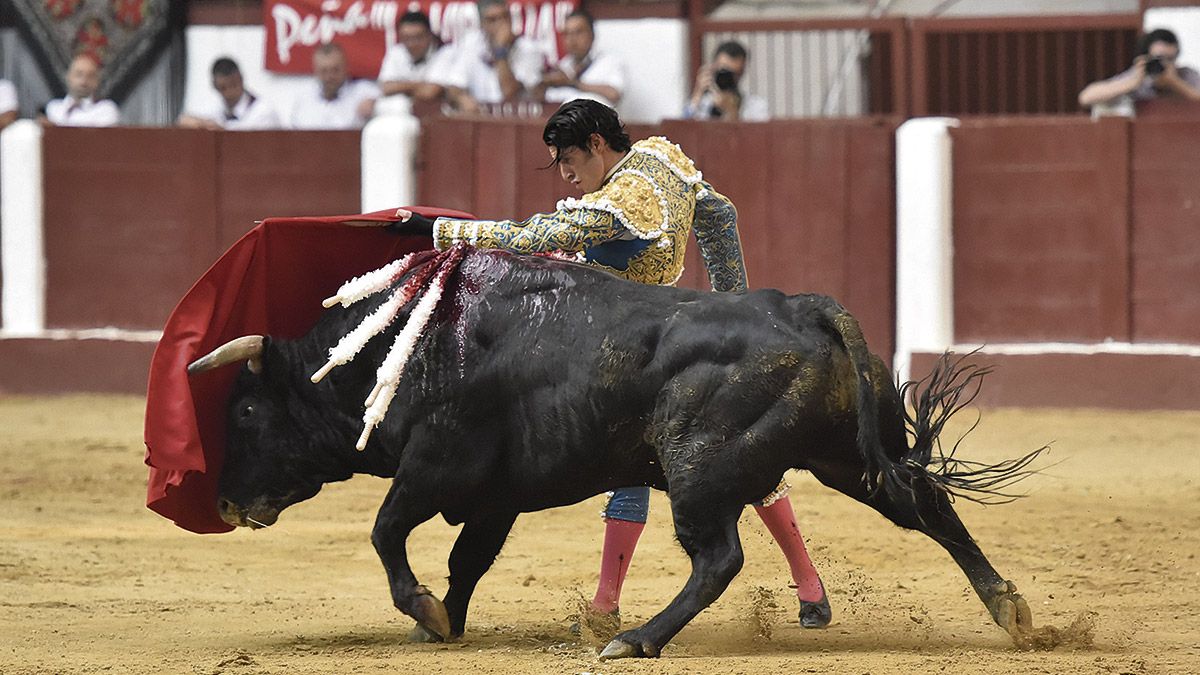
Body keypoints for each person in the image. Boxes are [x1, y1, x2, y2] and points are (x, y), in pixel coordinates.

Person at [388, 99, 831, 634]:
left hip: (626, 347)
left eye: (570, 160)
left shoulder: (625, 198)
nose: (568, 176)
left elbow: (537, 239)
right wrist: (733, 307)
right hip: (680, 333)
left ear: (598, 144)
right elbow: (719, 214)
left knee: (630, 464)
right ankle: (809, 584)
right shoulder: (660, 158)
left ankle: (605, 605)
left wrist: (441, 232)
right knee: (745, 462)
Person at [433, 0, 545, 114]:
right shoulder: (472, 42)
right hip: (481, 117)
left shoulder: (528, 48)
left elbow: (510, 93)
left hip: (516, 121)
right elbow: (453, 86)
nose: (501, 25)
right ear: (482, 24)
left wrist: (500, 50)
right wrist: (461, 98)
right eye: (492, 20)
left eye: (505, 17)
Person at [1079, 28, 1200, 114]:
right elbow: (1086, 97)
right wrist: (1133, 83)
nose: (1165, 64)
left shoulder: (1186, 75)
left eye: (1170, 59)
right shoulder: (1139, 76)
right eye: (1159, 59)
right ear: (1147, 58)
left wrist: (1175, 82)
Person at [536, 10, 625, 108]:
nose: (572, 40)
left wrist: (572, 83)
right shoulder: (562, 66)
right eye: (567, 34)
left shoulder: (609, 62)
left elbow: (614, 94)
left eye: (578, 32)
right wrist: (542, 84)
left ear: (592, 35)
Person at [288, 43, 380, 130]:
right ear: (315, 71)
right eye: (324, 71)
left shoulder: (364, 93)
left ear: (346, 68)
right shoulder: (304, 99)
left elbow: (385, 102)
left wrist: (376, 104)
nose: (329, 77)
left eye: (335, 70)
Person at [178, 57, 280, 130]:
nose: (229, 92)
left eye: (233, 85)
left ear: (241, 79)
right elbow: (184, 120)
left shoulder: (263, 110)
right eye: (223, 88)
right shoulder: (214, 107)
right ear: (215, 86)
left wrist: (220, 128)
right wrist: (201, 124)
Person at [377, 10, 450, 105]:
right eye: (406, 38)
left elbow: (430, 92)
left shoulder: (445, 53)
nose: (411, 44)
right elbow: (386, 88)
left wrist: (399, 86)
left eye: (418, 38)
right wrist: (420, 85)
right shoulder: (396, 51)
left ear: (430, 35)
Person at [685, 41, 769, 122]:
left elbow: (758, 134)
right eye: (724, 71)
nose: (728, 77)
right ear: (713, 68)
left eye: (735, 73)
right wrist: (697, 94)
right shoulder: (701, 103)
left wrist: (732, 113)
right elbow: (682, 131)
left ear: (742, 72)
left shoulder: (756, 106)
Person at [42, 54, 120, 127]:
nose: (83, 81)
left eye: (90, 76)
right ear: (68, 77)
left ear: (97, 81)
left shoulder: (106, 109)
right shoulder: (52, 108)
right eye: (78, 75)